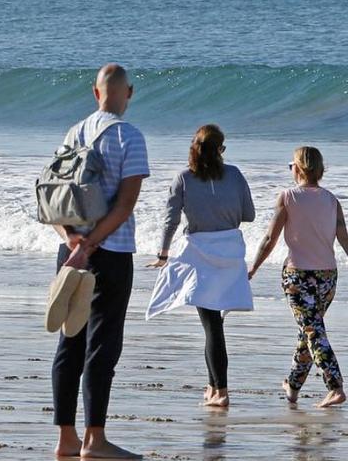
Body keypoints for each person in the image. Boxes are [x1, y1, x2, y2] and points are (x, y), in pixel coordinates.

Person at [51, 64, 149, 459]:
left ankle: (65, 438)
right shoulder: (130, 136)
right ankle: (96, 439)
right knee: (102, 344)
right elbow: (125, 206)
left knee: (69, 341)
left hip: (71, 249)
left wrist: (73, 240)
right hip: (110, 250)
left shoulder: (73, 133)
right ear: (129, 92)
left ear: (95, 93)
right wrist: (92, 243)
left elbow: (53, 198)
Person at [147, 124, 255, 408]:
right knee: (214, 325)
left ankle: (221, 391)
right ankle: (212, 386)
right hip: (230, 252)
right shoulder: (234, 174)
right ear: (220, 149)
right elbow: (250, 214)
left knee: (211, 326)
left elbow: (170, 220)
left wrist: (163, 253)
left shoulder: (183, 178)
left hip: (200, 254)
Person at [249, 146, 348, 409]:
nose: (290, 169)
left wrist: (253, 269)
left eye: (290, 165)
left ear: (299, 168)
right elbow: (344, 239)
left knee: (312, 329)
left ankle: (335, 386)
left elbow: (270, 238)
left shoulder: (288, 197)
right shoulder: (332, 200)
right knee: (310, 330)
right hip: (328, 276)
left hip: (298, 276)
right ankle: (292, 386)